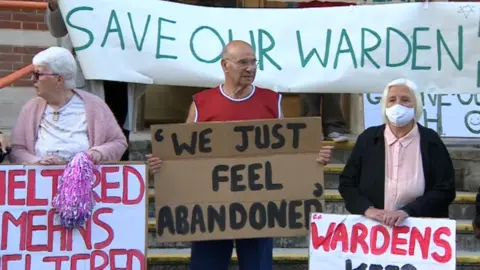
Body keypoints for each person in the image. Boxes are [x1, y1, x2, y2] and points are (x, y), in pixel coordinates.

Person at [146, 40, 333, 270]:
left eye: (254, 62)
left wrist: (314, 158)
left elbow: (289, 153)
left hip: (260, 211)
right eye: (243, 62)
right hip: (211, 212)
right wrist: (161, 163)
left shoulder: (272, 101)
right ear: (225, 65)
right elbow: (182, 154)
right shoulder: (202, 103)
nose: (250, 68)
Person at [338, 78, 456, 227]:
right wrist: (367, 209)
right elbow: (347, 184)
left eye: (405, 100)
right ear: (384, 106)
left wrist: (408, 212)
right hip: (373, 229)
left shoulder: (430, 140)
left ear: (416, 105)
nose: (398, 105)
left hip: (419, 232)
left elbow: (445, 189)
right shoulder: (368, 139)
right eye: (392, 100)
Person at [9, 47, 128, 165]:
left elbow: (119, 142)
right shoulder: (31, 108)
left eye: (37, 74)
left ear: (59, 79)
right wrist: (36, 161)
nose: (32, 79)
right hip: (42, 180)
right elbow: (17, 149)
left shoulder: (95, 105)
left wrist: (98, 153)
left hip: (84, 180)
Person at [44, 0, 130, 161]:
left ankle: (115, 182)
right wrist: (55, 6)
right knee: (84, 132)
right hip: (88, 74)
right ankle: (78, 180)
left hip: (122, 74)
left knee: (118, 132)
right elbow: (57, 30)